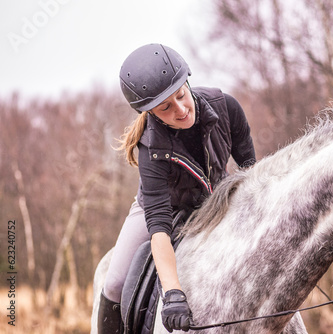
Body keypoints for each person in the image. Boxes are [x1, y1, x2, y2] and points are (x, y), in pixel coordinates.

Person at [97, 43, 256, 333]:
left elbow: (253, 175)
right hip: (162, 211)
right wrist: (172, 294)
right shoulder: (150, 148)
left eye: (181, 95)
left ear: (187, 82)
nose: (181, 110)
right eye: (166, 108)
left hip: (217, 200)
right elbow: (159, 228)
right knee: (115, 282)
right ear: (152, 113)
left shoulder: (226, 106)